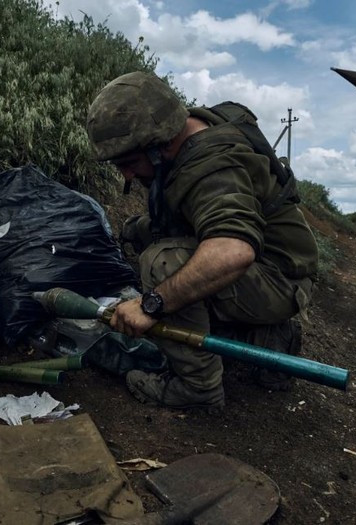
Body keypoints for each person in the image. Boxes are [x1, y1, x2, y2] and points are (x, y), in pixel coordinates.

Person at [86, 71, 319, 410]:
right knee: (145, 232)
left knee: (162, 263)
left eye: (130, 162)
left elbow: (232, 250)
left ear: (159, 144)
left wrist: (151, 304)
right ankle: (265, 339)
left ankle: (198, 387)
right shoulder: (189, 125)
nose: (127, 176)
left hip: (279, 279)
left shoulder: (212, 167)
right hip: (274, 264)